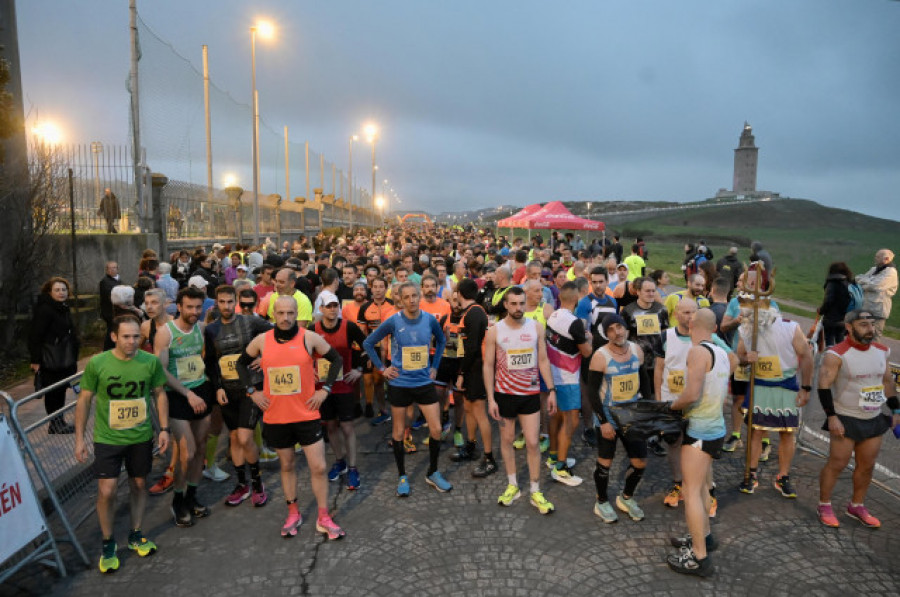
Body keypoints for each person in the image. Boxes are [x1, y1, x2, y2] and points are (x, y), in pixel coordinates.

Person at [236, 296, 346, 540]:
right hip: (277, 417)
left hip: (306, 414)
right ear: (273, 314)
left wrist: (324, 390)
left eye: (290, 313)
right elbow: (240, 364)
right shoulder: (261, 341)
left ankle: (323, 516)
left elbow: (336, 359)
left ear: (297, 313)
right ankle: (293, 512)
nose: (285, 318)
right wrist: (252, 392)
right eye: (281, 313)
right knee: (287, 465)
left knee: (318, 466)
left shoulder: (308, 337)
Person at [74, 315, 169, 573]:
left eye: (136, 336)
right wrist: (80, 439)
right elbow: (84, 400)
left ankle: (136, 533)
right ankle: (107, 542)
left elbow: (159, 394)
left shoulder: (149, 361)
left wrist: (164, 429)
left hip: (140, 437)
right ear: (114, 337)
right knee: (107, 491)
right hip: (108, 439)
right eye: (126, 336)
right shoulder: (98, 363)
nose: (132, 341)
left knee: (139, 484)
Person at [363, 281, 452, 496]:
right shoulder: (393, 321)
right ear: (400, 301)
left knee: (437, 429)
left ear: (419, 296)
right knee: (398, 432)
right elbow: (368, 343)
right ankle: (402, 475)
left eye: (415, 296)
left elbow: (441, 342)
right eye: (407, 297)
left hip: (423, 382)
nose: (412, 300)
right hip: (400, 384)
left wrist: (435, 367)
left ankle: (432, 471)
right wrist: (383, 369)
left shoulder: (430, 319)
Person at [666, 309, 735, 577]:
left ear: (692, 324)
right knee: (704, 488)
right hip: (716, 427)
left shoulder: (697, 352)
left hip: (700, 430)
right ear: (715, 328)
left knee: (691, 491)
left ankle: (699, 557)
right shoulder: (721, 353)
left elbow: (692, 394)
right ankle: (704, 537)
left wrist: (672, 406)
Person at [816, 309, 899, 528]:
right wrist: (832, 417)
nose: (870, 329)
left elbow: (888, 382)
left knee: (867, 466)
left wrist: (896, 411)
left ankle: (857, 505)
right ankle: (824, 504)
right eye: (864, 324)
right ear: (849, 327)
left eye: (872, 324)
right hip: (845, 418)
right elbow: (823, 386)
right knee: (837, 464)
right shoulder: (836, 354)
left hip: (873, 418)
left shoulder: (882, 351)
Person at [484, 286, 557, 514]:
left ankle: (535, 489)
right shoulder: (495, 331)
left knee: (533, 442)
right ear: (505, 304)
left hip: (529, 394)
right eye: (513, 304)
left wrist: (552, 390)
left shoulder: (536, 328)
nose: (518, 308)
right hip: (505, 395)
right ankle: (513, 485)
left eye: (521, 303)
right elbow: (488, 365)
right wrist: (490, 399)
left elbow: (543, 360)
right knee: (507, 440)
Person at [205, 285, 273, 507]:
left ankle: (257, 484)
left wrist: (264, 357)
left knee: (245, 437)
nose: (226, 306)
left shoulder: (250, 322)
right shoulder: (211, 330)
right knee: (234, 438)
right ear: (216, 302)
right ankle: (242, 485)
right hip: (227, 390)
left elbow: (275, 334)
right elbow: (211, 362)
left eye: (229, 301)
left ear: (235, 301)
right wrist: (218, 387)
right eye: (221, 302)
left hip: (251, 389)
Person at [736, 301, 813, 497]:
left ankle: (783, 476)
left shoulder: (790, 327)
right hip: (760, 385)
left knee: (787, 432)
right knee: (756, 431)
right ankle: (751, 474)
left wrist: (806, 387)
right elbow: (739, 357)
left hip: (786, 385)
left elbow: (806, 355)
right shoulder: (747, 329)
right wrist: (747, 359)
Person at [154, 287, 215, 527]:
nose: (194, 312)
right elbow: (162, 371)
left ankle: (191, 495)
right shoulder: (165, 333)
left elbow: (203, 360)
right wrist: (187, 393)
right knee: (186, 452)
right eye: (189, 307)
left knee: (200, 450)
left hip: (201, 392)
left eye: (198, 307)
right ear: (179, 306)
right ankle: (177, 500)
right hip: (178, 396)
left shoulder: (201, 329)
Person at [586, 314, 651, 523]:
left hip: (631, 414)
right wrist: (603, 421)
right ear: (607, 334)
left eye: (620, 327)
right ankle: (601, 501)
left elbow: (645, 383)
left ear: (626, 328)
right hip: (609, 415)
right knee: (605, 461)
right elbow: (592, 392)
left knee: (640, 462)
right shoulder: (600, 356)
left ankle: (626, 498)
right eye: (612, 329)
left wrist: (648, 411)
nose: (617, 332)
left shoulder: (636, 350)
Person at [314, 290, 366, 491]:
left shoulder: (349, 327)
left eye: (335, 305)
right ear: (321, 309)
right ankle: (340, 461)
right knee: (331, 426)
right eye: (328, 306)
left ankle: (353, 467)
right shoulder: (313, 329)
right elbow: (305, 354)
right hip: (323, 388)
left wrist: (359, 369)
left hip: (344, 385)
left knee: (347, 427)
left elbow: (367, 346)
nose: (333, 309)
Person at [545, 282, 592, 487]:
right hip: (568, 377)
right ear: (576, 299)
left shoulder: (553, 315)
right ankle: (561, 468)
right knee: (571, 421)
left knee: (556, 418)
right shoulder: (575, 323)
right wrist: (588, 337)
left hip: (553, 375)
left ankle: (554, 456)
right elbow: (587, 352)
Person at [451, 280, 497, 477]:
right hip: (471, 368)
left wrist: (461, 373)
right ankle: (471, 446)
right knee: (469, 408)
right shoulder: (470, 312)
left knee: (479, 411)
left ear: (460, 293)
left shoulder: (475, 313)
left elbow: (472, 348)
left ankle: (489, 458)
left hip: (476, 369)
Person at [29, 276, 80, 434]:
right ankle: (55, 424)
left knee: (61, 390)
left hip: (63, 358)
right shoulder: (45, 309)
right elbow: (35, 336)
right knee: (53, 392)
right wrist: (36, 360)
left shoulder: (62, 307)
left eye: (64, 290)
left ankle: (59, 422)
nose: (61, 292)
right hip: (51, 359)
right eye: (57, 290)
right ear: (49, 292)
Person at [357, 277, 396, 423]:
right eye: (375, 286)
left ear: (386, 289)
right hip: (374, 349)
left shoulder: (393, 305)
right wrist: (367, 353)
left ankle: (398, 411)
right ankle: (383, 411)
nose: (378, 289)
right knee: (376, 380)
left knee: (392, 381)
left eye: (381, 286)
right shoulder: (365, 308)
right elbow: (363, 334)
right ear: (371, 289)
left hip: (391, 349)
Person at [855, 249, 897, 340]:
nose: (875, 258)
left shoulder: (891, 272)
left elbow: (876, 286)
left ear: (886, 259)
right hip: (866, 308)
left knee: (874, 337)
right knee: (863, 336)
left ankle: (876, 354)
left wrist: (866, 283)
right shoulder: (874, 269)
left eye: (877, 257)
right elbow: (858, 278)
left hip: (878, 309)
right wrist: (868, 282)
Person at [818, 262, 853, 347]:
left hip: (831, 319)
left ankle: (830, 358)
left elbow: (828, 301)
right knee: (840, 342)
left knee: (829, 342)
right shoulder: (848, 283)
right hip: (843, 319)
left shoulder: (832, 283)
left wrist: (821, 310)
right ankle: (840, 358)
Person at [99, 261, 120, 350]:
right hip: (109, 312)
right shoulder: (105, 282)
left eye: (114, 267)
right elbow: (110, 295)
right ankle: (107, 350)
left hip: (116, 311)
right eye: (110, 268)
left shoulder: (118, 280)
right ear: (107, 270)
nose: (113, 270)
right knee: (111, 331)